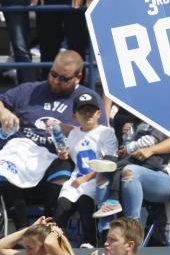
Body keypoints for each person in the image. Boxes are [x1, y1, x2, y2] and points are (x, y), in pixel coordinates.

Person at [0, 50, 105, 229]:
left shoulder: (87, 99)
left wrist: (67, 129)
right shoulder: (30, 90)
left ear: (78, 77)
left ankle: (49, 231)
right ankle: (22, 231)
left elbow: (100, 135)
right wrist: (4, 112)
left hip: (57, 157)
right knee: (4, 169)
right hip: (22, 151)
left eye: (64, 78)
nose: (56, 81)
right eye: (53, 74)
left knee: (62, 173)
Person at [52, 93, 117, 247]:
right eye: (83, 110)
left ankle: (91, 242)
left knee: (85, 202)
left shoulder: (106, 133)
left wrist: (85, 178)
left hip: (97, 180)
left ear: (99, 113)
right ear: (75, 116)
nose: (88, 114)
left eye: (91, 110)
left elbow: (110, 162)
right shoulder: (74, 134)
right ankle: (55, 244)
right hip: (76, 180)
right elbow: (69, 154)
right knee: (62, 206)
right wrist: (63, 155)